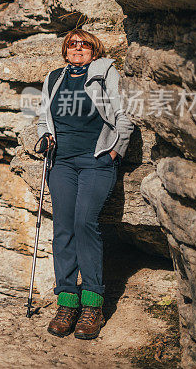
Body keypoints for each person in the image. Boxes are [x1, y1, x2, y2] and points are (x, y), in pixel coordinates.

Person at [36, 29, 134, 340]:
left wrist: (115, 151)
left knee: (84, 222)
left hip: (97, 159)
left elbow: (124, 114)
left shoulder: (106, 73)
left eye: (85, 44)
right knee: (63, 226)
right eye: (72, 44)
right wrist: (46, 135)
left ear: (94, 50)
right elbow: (43, 117)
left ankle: (93, 304)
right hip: (61, 161)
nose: (78, 48)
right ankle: (67, 301)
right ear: (65, 51)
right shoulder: (53, 78)